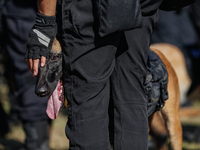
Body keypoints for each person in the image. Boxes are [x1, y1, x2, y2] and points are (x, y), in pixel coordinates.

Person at [24, 0, 194, 149]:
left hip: (88, 10)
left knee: (89, 101)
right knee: (131, 98)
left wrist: (44, 23)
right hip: (141, 6)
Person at [2, 0, 51, 149]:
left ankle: (37, 143)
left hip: (27, 13)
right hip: (46, 12)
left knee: (31, 75)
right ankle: (39, 140)